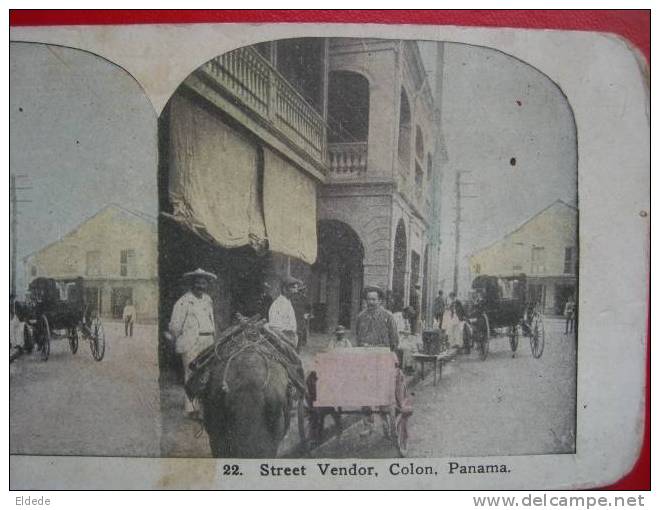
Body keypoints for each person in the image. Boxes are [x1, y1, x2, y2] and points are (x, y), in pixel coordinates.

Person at [168, 268, 217, 418]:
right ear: (192, 284)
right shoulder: (183, 302)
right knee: (192, 374)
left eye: (204, 282)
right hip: (191, 342)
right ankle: (191, 409)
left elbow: (211, 319)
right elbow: (175, 326)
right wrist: (182, 339)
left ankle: (203, 408)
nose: (201, 286)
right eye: (198, 282)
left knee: (206, 374)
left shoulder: (208, 300)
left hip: (207, 340)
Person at [355, 286, 400, 436]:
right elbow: (358, 338)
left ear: (380, 300)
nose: (371, 302)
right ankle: (368, 424)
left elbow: (394, 341)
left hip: (383, 358)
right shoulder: (361, 317)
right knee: (364, 391)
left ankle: (386, 422)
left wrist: (384, 350)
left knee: (383, 391)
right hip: (366, 359)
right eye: (369, 299)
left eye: (374, 299)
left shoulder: (388, 316)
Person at [268, 275, 302, 349]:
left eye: (296, 288)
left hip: (290, 341)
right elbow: (274, 328)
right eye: (293, 288)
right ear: (284, 289)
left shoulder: (287, 302)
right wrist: (289, 342)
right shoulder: (278, 304)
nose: (296, 291)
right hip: (282, 343)